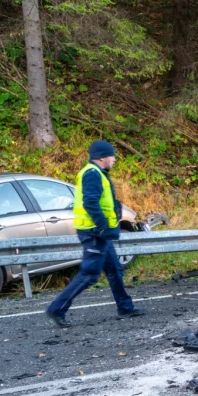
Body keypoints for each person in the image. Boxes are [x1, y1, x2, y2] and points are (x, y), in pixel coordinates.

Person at [45, 140, 145, 327]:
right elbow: (90, 202)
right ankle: (56, 309)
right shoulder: (92, 174)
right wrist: (103, 227)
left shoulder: (98, 173)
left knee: (114, 270)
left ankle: (125, 308)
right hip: (94, 234)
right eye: (111, 155)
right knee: (89, 274)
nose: (114, 159)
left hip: (100, 234)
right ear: (101, 157)